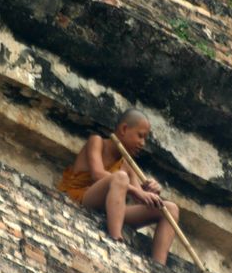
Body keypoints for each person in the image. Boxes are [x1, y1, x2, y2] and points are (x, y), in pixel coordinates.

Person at [58, 109, 180, 265]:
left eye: (145, 139)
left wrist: (149, 192)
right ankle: (116, 240)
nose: (143, 143)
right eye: (140, 136)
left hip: (114, 210)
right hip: (83, 196)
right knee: (120, 177)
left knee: (170, 209)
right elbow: (97, 174)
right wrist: (136, 191)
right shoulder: (97, 142)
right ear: (124, 129)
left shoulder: (128, 164)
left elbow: (140, 200)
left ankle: (159, 266)